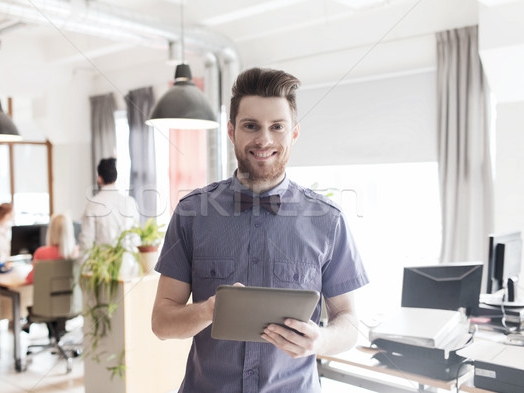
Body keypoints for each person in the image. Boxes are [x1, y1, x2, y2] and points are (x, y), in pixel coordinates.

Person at [151, 67, 369, 392]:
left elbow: (349, 321)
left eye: (277, 127)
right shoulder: (191, 213)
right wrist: (209, 310)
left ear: (293, 133)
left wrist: (321, 340)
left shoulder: (329, 220)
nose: (264, 139)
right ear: (231, 131)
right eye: (251, 126)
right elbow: (162, 323)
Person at [78, 157, 139, 255]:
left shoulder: (92, 205)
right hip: (128, 263)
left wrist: (84, 268)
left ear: (99, 178)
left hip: (102, 264)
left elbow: (86, 242)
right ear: (115, 177)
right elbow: (135, 238)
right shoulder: (130, 202)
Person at [25, 213, 79, 284]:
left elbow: (30, 280)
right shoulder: (77, 252)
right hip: (71, 295)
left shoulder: (41, 253)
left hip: (45, 294)